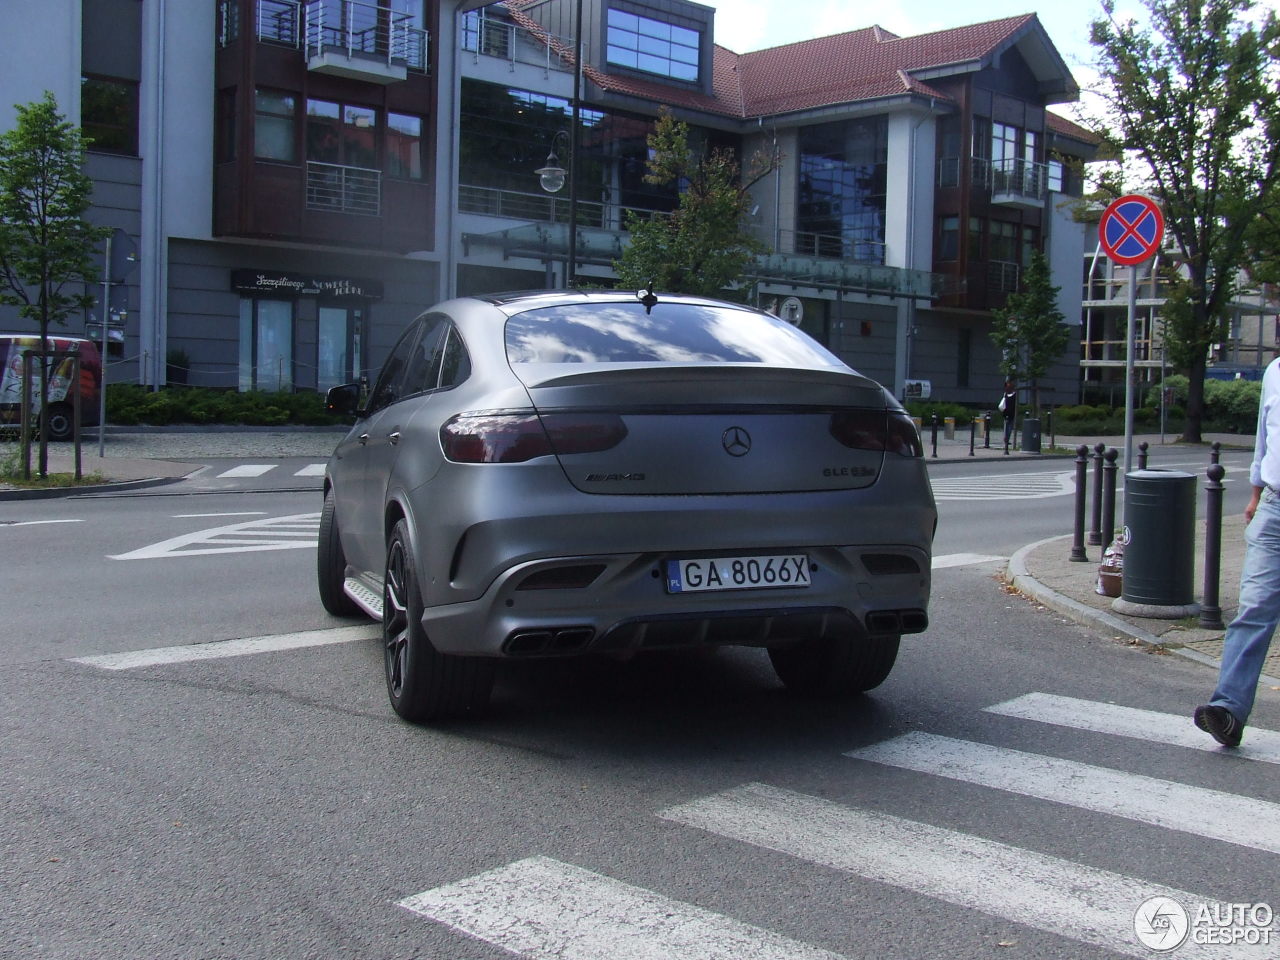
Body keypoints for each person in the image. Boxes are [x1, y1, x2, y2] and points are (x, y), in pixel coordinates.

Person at [1195, 357, 1280, 747]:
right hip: (1275, 507)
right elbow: (1265, 439)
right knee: (1253, 607)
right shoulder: (1275, 371)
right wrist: (1256, 494)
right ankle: (1228, 711)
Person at [999, 379, 1018, 449]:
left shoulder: (1005, 394)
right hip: (1012, 412)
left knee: (1007, 426)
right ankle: (1007, 438)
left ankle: (1006, 438)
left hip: (1006, 412)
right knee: (1009, 427)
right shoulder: (1015, 395)